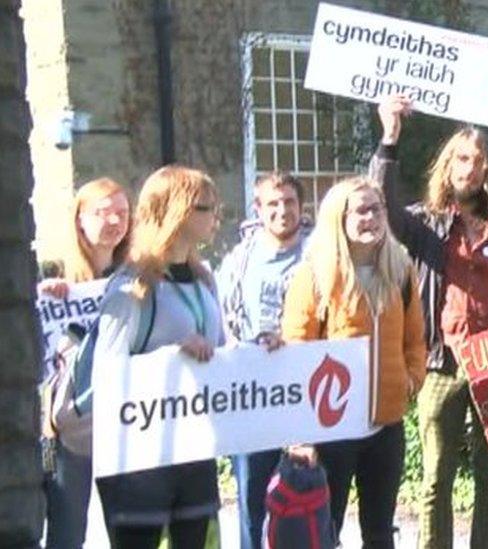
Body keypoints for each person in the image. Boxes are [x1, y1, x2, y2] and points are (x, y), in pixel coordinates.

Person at [371, 95, 488, 549]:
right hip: (441, 364)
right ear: (447, 166)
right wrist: (389, 139)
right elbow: (381, 202)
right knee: (436, 474)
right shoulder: (426, 226)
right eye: (461, 158)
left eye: (478, 160)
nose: (469, 167)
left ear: (487, 170)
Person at [281, 176, 427, 548]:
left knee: (380, 530)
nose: (371, 218)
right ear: (338, 218)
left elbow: (415, 339)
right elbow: (296, 350)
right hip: (332, 427)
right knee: (325, 527)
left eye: (377, 209)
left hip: (386, 425)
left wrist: (411, 379)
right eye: (361, 211)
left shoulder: (401, 269)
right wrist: (301, 432)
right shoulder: (314, 274)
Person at [93, 165, 224, 548]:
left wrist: (261, 349)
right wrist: (170, 356)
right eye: (205, 207)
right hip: (139, 459)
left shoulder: (204, 279)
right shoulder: (131, 285)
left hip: (195, 448)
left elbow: (221, 352)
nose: (216, 216)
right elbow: (108, 372)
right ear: (175, 211)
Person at [216, 171, 312, 549]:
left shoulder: (319, 255)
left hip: (303, 394)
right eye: (272, 203)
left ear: (301, 207)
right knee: (252, 506)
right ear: (258, 209)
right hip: (252, 396)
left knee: (305, 502)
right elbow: (222, 321)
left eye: (289, 201)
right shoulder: (238, 261)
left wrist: (292, 339)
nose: (282, 210)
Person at [39, 177, 131, 549]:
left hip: (125, 421)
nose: (114, 221)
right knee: (66, 531)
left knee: (128, 529)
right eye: (103, 212)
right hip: (68, 427)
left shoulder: (135, 278)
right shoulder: (52, 275)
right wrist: (47, 297)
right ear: (80, 219)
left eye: (122, 212)